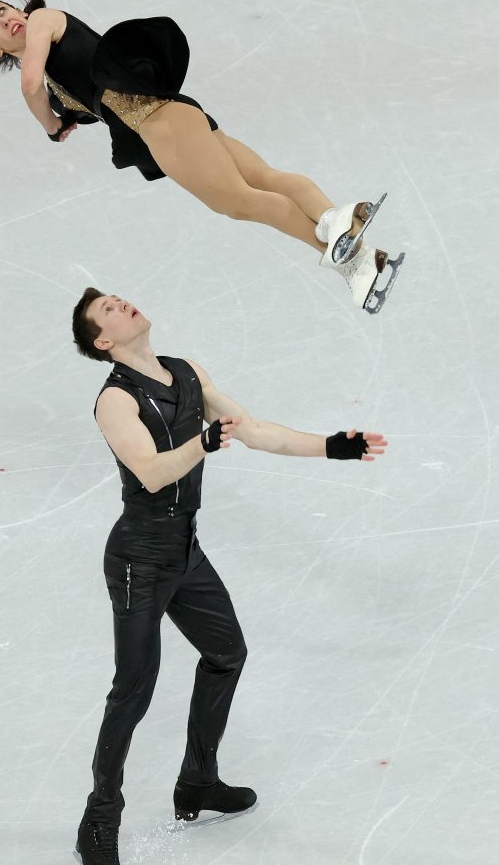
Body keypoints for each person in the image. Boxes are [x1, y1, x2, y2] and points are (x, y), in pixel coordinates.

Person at [69, 287, 388, 864]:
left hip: (184, 551)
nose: (122, 304)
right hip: (140, 558)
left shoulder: (187, 372)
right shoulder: (114, 400)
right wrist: (204, 443)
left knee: (226, 654)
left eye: (118, 297)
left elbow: (255, 429)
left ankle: (197, 781)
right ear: (104, 341)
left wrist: (330, 446)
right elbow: (151, 473)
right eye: (108, 310)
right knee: (134, 688)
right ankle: (98, 819)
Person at [0, 0, 404, 314]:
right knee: (261, 179)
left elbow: (29, 86)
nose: (5, 21)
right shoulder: (53, 72)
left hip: (157, 121)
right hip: (171, 116)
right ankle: (357, 247)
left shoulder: (44, 20)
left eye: (3, 10)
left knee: (237, 201)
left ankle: (340, 244)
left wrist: (50, 127)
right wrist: (65, 115)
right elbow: (73, 91)